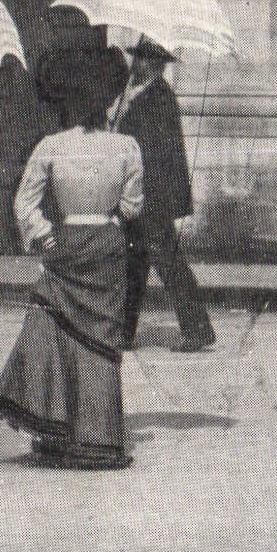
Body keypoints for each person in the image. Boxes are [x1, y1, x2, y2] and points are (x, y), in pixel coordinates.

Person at [0, 49, 143, 470]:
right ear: (110, 99)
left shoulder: (51, 145)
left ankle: (59, 428)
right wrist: (110, 216)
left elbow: (25, 203)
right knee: (101, 341)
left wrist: (44, 237)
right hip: (107, 245)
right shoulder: (127, 146)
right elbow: (131, 207)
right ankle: (99, 436)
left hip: (67, 241)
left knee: (61, 333)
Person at [108, 36, 215, 352]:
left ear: (155, 64)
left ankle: (197, 330)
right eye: (137, 57)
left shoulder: (159, 98)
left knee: (167, 261)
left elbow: (154, 154)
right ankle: (124, 332)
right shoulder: (136, 94)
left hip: (152, 195)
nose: (135, 63)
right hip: (139, 193)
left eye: (142, 59)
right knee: (134, 262)